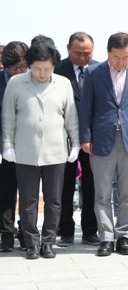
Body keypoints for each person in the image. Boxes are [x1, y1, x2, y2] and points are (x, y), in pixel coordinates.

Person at [2, 39, 80, 259]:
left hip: (55, 151)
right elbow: (8, 117)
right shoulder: (16, 83)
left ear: (54, 66)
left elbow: (71, 118)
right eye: (37, 69)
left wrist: (75, 144)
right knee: (28, 201)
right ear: (29, 65)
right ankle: (31, 242)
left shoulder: (63, 84)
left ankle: (48, 241)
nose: (42, 73)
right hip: (25, 152)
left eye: (47, 69)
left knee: (54, 199)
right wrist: (7, 145)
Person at [79, 32, 128, 257]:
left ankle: (125, 236)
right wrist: (85, 137)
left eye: (125, 57)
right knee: (102, 192)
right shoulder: (93, 73)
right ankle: (106, 237)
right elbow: (86, 107)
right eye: (116, 57)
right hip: (101, 139)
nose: (121, 62)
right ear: (108, 53)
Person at [54, 32, 100, 247]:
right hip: (65, 140)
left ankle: (90, 230)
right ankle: (66, 230)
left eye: (87, 53)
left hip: (93, 139)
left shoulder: (99, 69)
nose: (83, 58)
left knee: (92, 186)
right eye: (77, 53)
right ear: (67, 49)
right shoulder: (56, 70)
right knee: (64, 186)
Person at [0, 41, 29, 252]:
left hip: (28, 145)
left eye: (22, 67)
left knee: (28, 193)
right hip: (5, 146)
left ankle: (26, 232)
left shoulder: (33, 79)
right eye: (14, 68)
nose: (18, 72)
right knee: (5, 192)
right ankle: (6, 235)